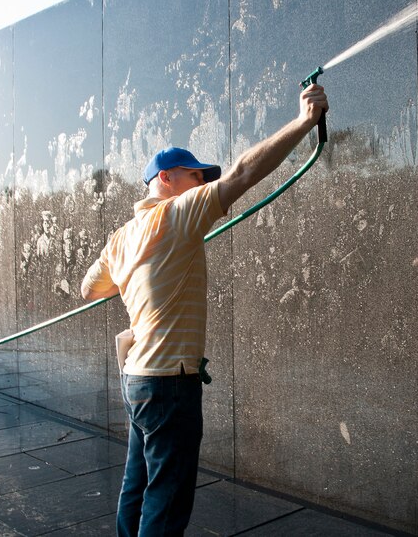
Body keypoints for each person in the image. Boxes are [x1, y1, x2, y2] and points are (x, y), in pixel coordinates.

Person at [81, 84, 328, 536]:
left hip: (136, 381)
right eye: (196, 176)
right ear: (167, 178)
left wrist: (135, 280)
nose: (203, 183)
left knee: (136, 489)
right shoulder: (178, 214)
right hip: (169, 386)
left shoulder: (120, 239)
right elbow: (242, 173)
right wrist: (303, 122)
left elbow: (89, 288)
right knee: (165, 499)